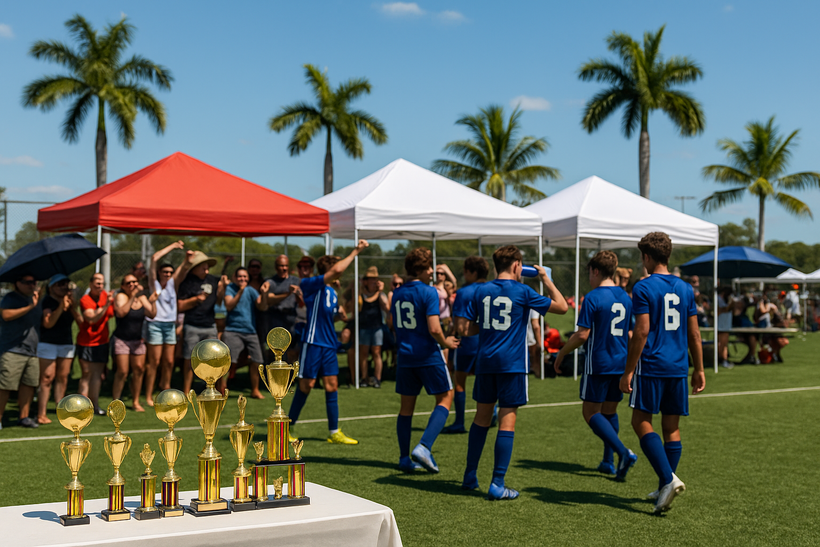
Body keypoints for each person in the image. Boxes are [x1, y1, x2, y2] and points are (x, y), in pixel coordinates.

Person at [461, 245, 567, 500]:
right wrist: (545, 278)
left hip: (485, 363)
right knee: (507, 422)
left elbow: (468, 329)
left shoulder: (480, 290)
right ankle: (497, 483)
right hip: (512, 365)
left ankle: (469, 475)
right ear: (518, 266)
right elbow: (563, 307)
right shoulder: (523, 291)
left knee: (481, 419)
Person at [620, 232, 705, 514]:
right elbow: (694, 333)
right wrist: (700, 368)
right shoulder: (685, 289)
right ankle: (663, 486)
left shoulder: (643, 288)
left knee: (640, 421)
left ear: (647, 257)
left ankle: (668, 480)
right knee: (672, 428)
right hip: (679, 366)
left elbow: (641, 332)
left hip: (653, 365)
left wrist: (628, 371)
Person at [553, 251, 638, 479]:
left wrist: (561, 354)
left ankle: (623, 453)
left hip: (598, 363)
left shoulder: (592, 297)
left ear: (596, 271)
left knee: (590, 413)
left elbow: (582, 335)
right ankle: (608, 461)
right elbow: (631, 333)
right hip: (619, 362)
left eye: (589, 272)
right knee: (609, 412)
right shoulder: (625, 297)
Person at [287, 240, 369, 445]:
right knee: (307, 385)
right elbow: (335, 272)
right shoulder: (310, 284)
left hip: (329, 344)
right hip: (313, 342)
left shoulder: (331, 292)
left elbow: (333, 315)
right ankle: (286, 429)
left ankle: (334, 432)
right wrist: (355, 251)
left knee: (332, 385)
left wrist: (341, 311)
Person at [392, 247, 459, 472]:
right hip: (428, 354)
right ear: (420, 269)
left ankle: (403, 458)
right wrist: (446, 342)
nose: (431, 271)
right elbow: (434, 328)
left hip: (405, 356)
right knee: (446, 397)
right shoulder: (429, 292)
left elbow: (393, 325)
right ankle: (424, 446)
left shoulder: (397, 293)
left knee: (406, 409)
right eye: (429, 267)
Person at [444, 256, 488, 435]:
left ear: (473, 272)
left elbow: (461, 327)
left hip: (469, 341)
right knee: (486, 380)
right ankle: (491, 412)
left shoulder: (465, 292)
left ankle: (459, 422)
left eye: (466, 271)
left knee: (459, 381)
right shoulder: (493, 289)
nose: (464, 274)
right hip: (489, 341)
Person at [177, 251, 227, 394]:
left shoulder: (213, 280)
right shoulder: (187, 283)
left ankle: (217, 391)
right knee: (189, 361)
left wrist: (222, 289)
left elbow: (219, 301)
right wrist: (195, 300)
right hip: (192, 326)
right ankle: (186, 392)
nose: (206, 269)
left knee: (215, 359)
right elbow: (180, 306)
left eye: (207, 266)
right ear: (195, 268)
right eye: (203, 266)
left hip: (210, 325)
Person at [37, 274, 83, 424]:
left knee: (63, 377)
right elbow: (48, 323)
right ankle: (41, 413)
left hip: (66, 343)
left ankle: (60, 408)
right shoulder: (47, 301)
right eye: (60, 284)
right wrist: (60, 307)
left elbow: (81, 325)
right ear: (51, 287)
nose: (65, 287)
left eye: (66, 284)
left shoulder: (70, 302)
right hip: (47, 343)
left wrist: (73, 308)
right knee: (47, 377)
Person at [144, 241, 187, 402]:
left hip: (170, 325)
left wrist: (187, 257)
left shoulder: (172, 284)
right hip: (155, 324)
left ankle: (165, 390)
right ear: (159, 272)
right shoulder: (153, 283)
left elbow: (184, 267)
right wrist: (173, 246)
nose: (167, 274)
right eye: (165, 272)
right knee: (154, 362)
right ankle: (148, 395)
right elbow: (154, 257)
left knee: (169, 362)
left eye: (170, 272)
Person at [0, 273, 43, 429]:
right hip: (12, 349)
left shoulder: (36, 298)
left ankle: (23, 417)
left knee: (29, 384)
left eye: (34, 282)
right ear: (17, 283)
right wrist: (30, 306)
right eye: (27, 282)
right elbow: (6, 315)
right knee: (5, 386)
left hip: (32, 350)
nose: (32, 285)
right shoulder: (11, 298)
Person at [112, 274, 157, 411]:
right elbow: (121, 313)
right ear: (123, 286)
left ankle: (136, 402)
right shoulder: (120, 297)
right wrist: (132, 297)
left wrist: (153, 301)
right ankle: (115, 403)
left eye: (134, 282)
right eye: (128, 283)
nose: (132, 285)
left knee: (139, 369)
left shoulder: (142, 298)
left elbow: (152, 314)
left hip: (137, 340)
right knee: (123, 371)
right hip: (122, 339)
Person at [223, 267, 270, 398]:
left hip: (250, 330)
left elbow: (262, 306)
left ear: (248, 278)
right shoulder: (230, 289)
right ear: (234, 277)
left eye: (245, 277)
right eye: (240, 277)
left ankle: (255, 390)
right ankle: (222, 389)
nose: (242, 279)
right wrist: (240, 291)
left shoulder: (251, 290)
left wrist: (264, 293)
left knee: (257, 360)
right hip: (233, 330)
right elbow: (229, 305)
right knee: (229, 361)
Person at [78, 272, 115, 415]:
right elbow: (91, 319)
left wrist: (107, 304)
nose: (100, 285)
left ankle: (95, 405)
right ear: (90, 284)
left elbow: (110, 314)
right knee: (86, 374)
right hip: (86, 342)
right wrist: (105, 305)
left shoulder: (106, 295)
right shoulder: (85, 299)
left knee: (97, 375)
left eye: (102, 283)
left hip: (102, 341)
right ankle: (82, 407)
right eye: (97, 282)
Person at [265, 255, 301, 363]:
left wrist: (298, 292)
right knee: (278, 352)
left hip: (292, 318)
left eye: (286, 266)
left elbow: (302, 300)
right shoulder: (271, 281)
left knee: (293, 351)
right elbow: (269, 300)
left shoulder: (295, 280)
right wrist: (288, 293)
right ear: (276, 267)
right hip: (276, 318)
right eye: (281, 266)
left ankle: (291, 378)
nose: (284, 268)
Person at [358, 267, 389, 388]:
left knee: (377, 352)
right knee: (364, 353)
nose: (373, 282)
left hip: (377, 327)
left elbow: (386, 307)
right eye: (371, 279)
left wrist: (380, 291)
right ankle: (364, 378)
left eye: (375, 279)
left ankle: (377, 378)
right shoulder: (361, 294)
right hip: (364, 327)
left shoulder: (380, 295)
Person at [716, 287, 734, 369]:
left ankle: (723, 359)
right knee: (722, 344)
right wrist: (728, 307)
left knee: (724, 344)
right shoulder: (718, 299)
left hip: (726, 324)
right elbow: (718, 310)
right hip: (720, 324)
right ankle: (723, 360)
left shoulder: (727, 300)